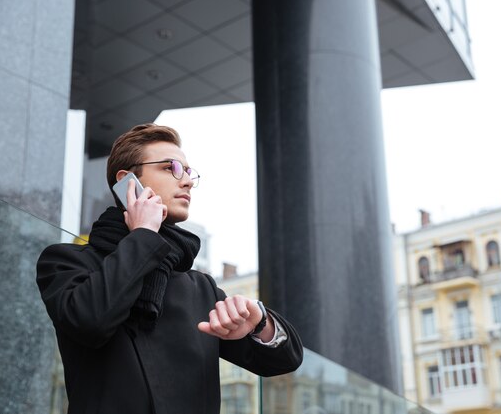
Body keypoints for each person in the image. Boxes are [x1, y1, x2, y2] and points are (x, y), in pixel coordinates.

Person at [36, 124, 303, 414]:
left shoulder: (200, 288)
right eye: (171, 168)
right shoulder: (66, 261)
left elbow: (283, 361)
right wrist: (144, 236)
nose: (186, 181)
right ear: (128, 183)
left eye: (189, 172)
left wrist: (260, 321)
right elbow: (90, 320)